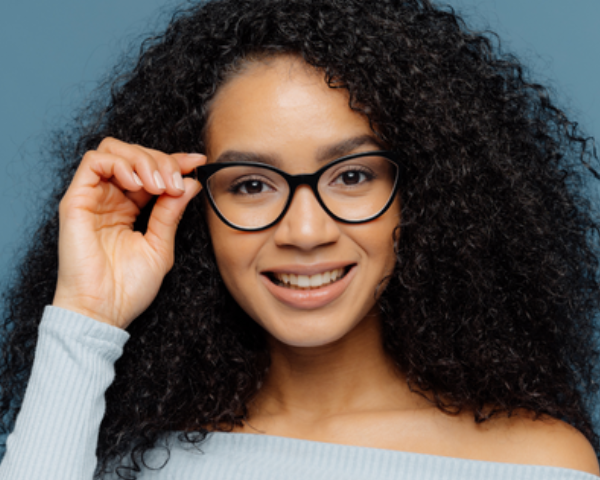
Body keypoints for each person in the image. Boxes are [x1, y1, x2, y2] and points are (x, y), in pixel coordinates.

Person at [1, 0, 600, 478]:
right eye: (252, 185)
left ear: (426, 196)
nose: (305, 232)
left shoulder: (535, 464)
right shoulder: (119, 453)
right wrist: (86, 314)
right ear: (193, 206)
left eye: (353, 176)